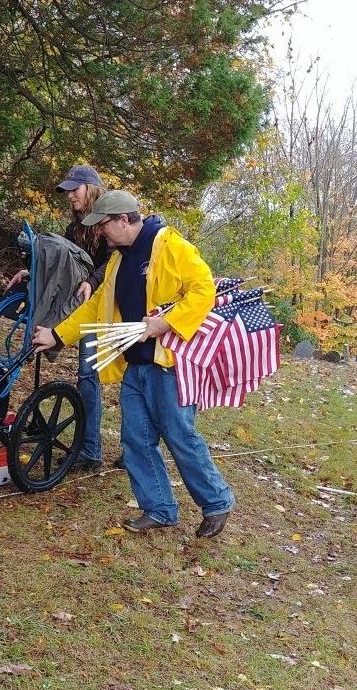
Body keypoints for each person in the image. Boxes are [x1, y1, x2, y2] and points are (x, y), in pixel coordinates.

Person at [31, 190, 234, 538]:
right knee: (135, 440)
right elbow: (96, 308)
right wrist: (58, 335)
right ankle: (159, 509)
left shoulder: (171, 247)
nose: (101, 233)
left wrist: (165, 323)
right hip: (135, 367)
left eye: (105, 225)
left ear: (124, 220)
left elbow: (203, 291)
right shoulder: (118, 259)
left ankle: (217, 503)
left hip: (169, 364)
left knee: (179, 435)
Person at [5, 165, 110, 469]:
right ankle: (92, 448)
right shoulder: (74, 228)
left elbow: (112, 260)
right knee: (88, 377)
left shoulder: (108, 222)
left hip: (107, 305)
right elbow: (64, 264)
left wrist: (92, 280)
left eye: (74, 191)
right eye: (67, 192)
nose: (70, 197)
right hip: (83, 305)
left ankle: (94, 450)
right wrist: (31, 271)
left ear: (90, 188)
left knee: (95, 376)